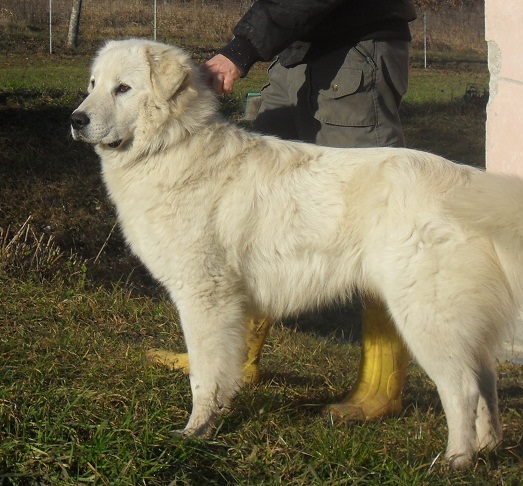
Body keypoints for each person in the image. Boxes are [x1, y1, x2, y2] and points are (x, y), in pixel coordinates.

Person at [149, 0, 417, 420]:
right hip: (297, 49)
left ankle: (382, 387)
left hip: (356, 47)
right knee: (261, 207)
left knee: (376, 216)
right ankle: (233, 357)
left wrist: (241, 50)